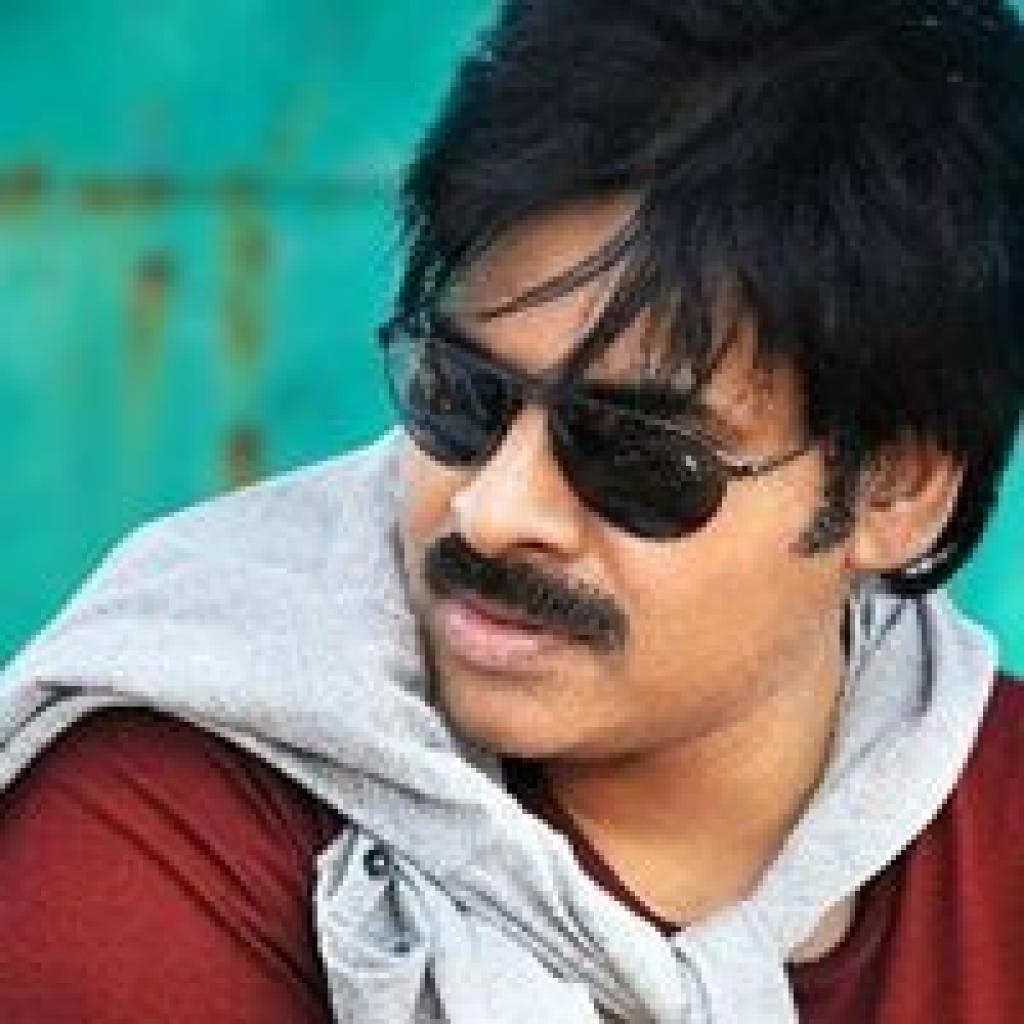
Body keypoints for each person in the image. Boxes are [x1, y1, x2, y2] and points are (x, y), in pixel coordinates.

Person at [1, 1, 1023, 1021]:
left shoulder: (996, 822)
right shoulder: (166, 825)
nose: (492, 511)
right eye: (465, 396)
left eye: (634, 455)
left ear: (893, 492)